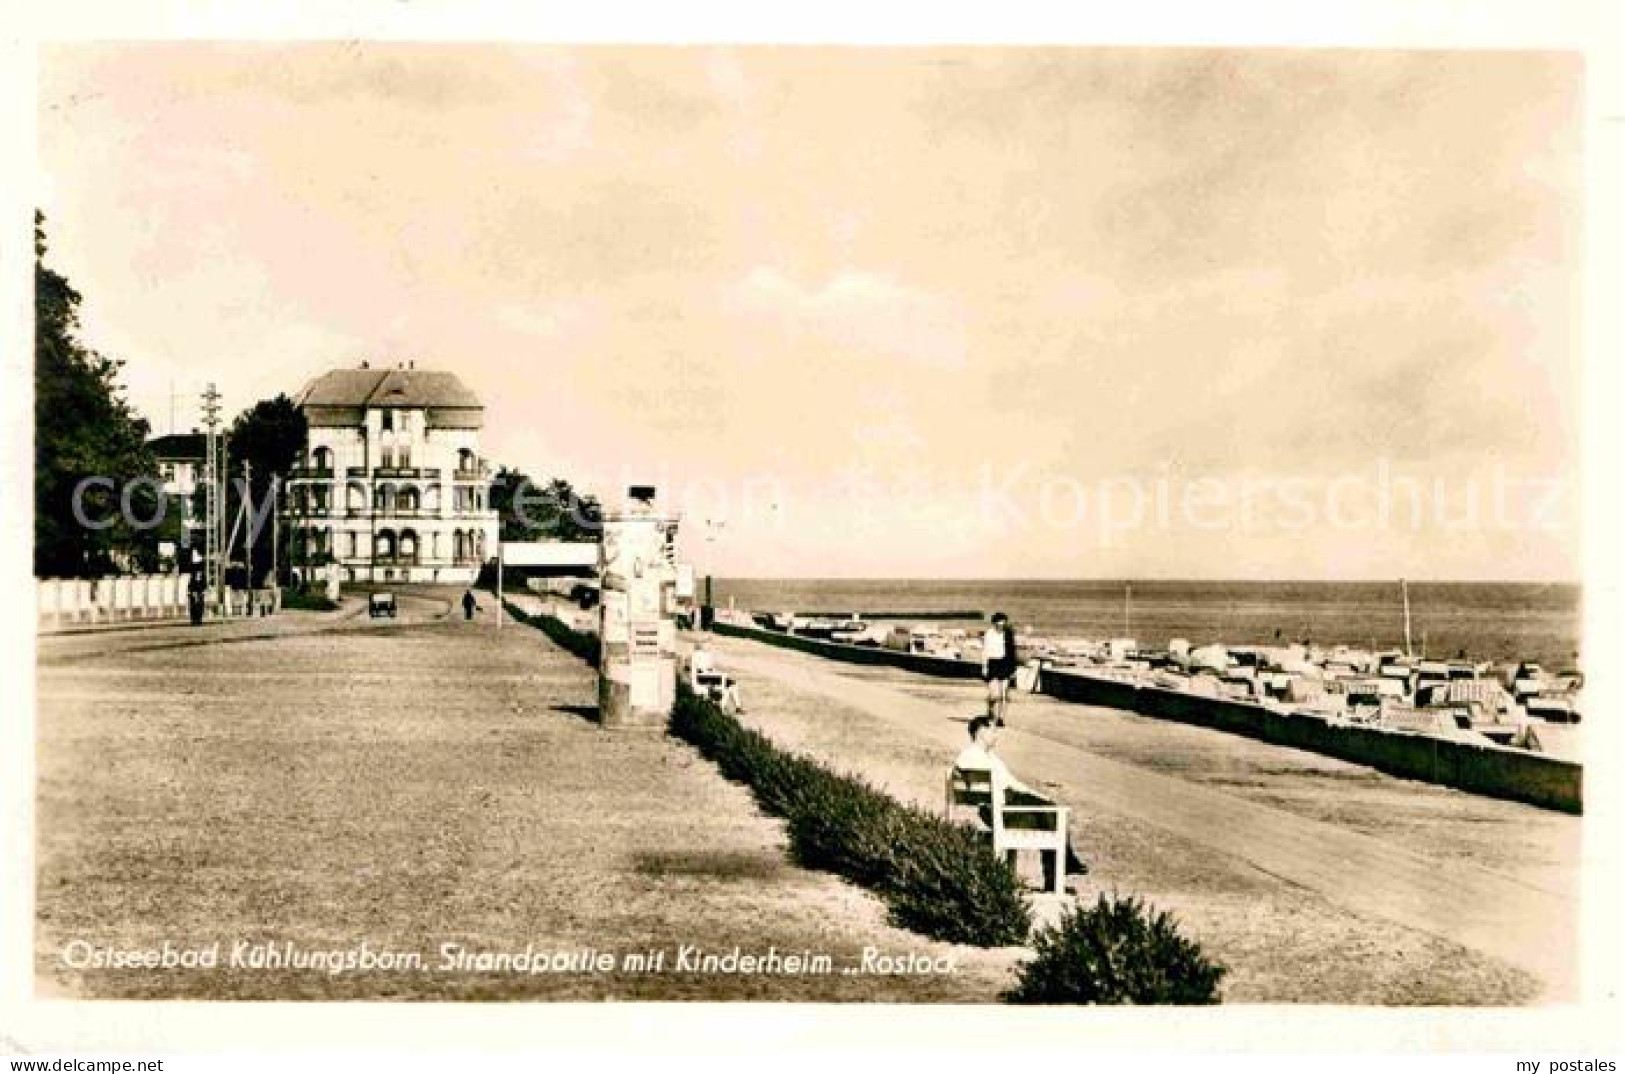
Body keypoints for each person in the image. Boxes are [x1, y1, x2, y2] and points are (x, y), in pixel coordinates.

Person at [954, 716, 1087, 887]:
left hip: (1001, 807)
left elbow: (1011, 783)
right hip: (1002, 811)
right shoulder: (973, 756)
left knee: (1049, 813)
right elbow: (1006, 785)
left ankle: (1061, 870)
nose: (997, 736)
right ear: (981, 732)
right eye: (993, 731)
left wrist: (1038, 796)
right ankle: (1061, 870)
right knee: (1051, 815)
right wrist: (1037, 798)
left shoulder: (980, 757)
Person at [980, 611, 1019, 724]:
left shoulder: (1008, 633)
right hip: (992, 663)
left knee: (1003, 694)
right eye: (999, 622)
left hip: (1005, 663)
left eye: (1003, 622)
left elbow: (1012, 652)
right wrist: (984, 666)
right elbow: (985, 651)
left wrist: (1014, 669)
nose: (1001, 625)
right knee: (994, 694)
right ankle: (990, 710)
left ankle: (1001, 718)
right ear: (994, 623)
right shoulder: (989, 634)